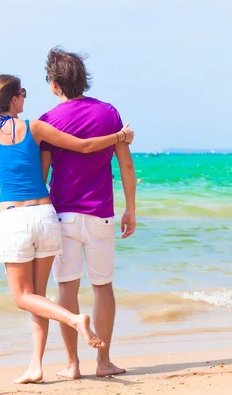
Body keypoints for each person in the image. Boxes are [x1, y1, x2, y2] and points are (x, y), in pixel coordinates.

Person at [0, 74, 134, 384]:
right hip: (47, 216)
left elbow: (1, 177)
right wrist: (120, 136)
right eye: (23, 92)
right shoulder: (36, 128)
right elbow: (84, 146)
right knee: (39, 296)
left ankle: (74, 320)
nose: (26, 96)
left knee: (25, 297)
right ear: (16, 99)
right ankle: (36, 365)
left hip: (15, 218)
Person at [33, 47, 137, 380]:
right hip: (101, 214)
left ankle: (72, 364)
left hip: (62, 214)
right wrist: (130, 208)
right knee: (103, 287)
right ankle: (103, 361)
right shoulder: (109, 113)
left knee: (66, 288)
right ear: (83, 79)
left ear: (53, 83)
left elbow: (42, 175)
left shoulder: (48, 121)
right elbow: (125, 163)